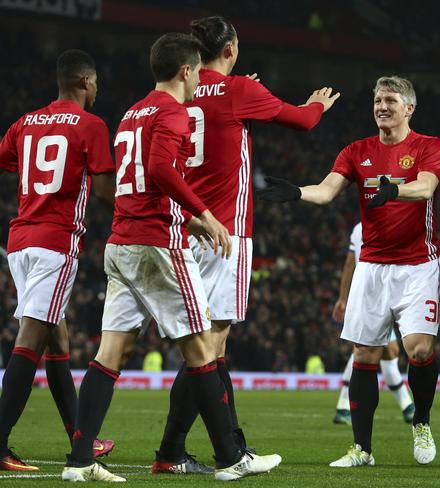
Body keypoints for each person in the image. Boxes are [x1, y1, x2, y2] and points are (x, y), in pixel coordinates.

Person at [60, 33, 281, 482]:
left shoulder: (131, 114)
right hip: (158, 244)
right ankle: (229, 458)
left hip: (122, 241)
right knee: (202, 349)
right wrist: (202, 213)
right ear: (185, 71)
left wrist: (195, 220)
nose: (202, 78)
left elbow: (142, 182)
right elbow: (160, 170)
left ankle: (79, 461)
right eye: (198, 71)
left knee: (110, 354)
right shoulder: (174, 112)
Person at [153, 15, 340, 472]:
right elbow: (303, 121)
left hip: (184, 228)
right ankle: (222, 452)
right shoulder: (241, 91)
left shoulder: (188, 91)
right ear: (231, 49)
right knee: (212, 347)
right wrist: (317, 103)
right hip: (226, 233)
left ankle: (175, 452)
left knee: (201, 346)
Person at [259, 76, 440, 467]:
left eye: (390, 100)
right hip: (372, 266)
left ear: (409, 108)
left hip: (417, 266)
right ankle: (362, 449)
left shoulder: (428, 146)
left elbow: (426, 187)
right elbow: (326, 191)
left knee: (420, 349)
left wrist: (395, 191)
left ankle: (422, 422)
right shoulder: (356, 151)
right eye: (377, 99)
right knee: (365, 353)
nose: (382, 106)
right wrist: (297, 193)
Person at [0, 49, 115, 472]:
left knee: (57, 342)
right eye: (97, 81)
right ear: (84, 82)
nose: (98, 88)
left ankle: (81, 440)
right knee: (30, 339)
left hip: (20, 243)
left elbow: (5, 162)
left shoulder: (25, 123)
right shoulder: (91, 126)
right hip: (56, 243)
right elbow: (103, 192)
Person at [332, 222, 415, 425]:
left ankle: (405, 405)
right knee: (374, 349)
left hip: (367, 290)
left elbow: (349, 264)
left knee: (381, 350)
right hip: (378, 291)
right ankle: (406, 405)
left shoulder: (358, 227)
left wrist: (343, 298)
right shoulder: (391, 223)